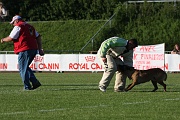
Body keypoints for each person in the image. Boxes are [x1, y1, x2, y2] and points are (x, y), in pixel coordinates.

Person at [0, 15, 44, 90]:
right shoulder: (30, 26)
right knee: (25, 67)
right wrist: (40, 49)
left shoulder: (18, 26)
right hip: (33, 49)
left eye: (13, 23)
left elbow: (11, 37)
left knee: (22, 68)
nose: (13, 24)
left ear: (16, 20)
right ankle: (34, 82)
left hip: (24, 49)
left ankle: (27, 86)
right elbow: (38, 36)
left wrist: (3, 40)